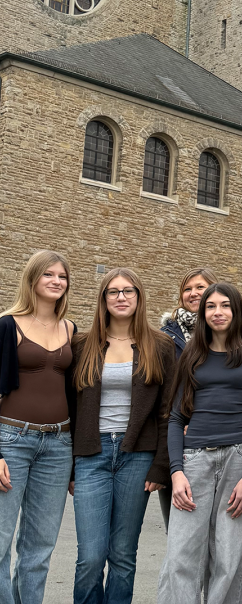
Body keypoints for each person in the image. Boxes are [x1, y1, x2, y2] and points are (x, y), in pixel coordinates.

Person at [157, 283, 242, 603]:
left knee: (229, 557)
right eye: (211, 306)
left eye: (225, 306)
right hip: (194, 461)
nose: (218, 312)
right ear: (203, 313)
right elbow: (176, 418)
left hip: (237, 459)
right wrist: (176, 472)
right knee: (181, 555)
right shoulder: (192, 354)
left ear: (236, 312)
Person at [71, 268, 176, 603]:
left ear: (138, 297)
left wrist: (161, 466)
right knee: (90, 556)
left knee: (122, 555)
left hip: (138, 458)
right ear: (103, 299)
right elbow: (70, 408)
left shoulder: (160, 345)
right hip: (91, 454)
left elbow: (167, 410)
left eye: (128, 291)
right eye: (113, 292)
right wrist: (70, 467)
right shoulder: (81, 345)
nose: (121, 297)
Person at [0, 250, 77, 604]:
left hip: (58, 445)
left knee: (40, 546)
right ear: (32, 279)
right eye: (49, 275)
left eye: (62, 276)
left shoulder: (70, 329)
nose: (56, 281)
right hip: (11, 440)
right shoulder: (7, 324)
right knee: (0, 541)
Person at [158, 266, 218, 530]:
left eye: (200, 287)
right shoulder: (164, 337)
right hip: (176, 438)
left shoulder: (230, 336)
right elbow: (158, 391)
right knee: (179, 530)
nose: (193, 293)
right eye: (187, 289)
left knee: (215, 532)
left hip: (218, 437)